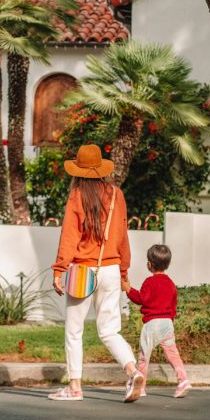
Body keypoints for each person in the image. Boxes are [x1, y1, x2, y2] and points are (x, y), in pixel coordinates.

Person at [49, 144, 144, 402]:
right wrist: (123, 271)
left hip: (83, 270)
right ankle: (133, 371)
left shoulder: (76, 196)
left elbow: (69, 237)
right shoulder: (117, 195)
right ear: (101, 169)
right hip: (111, 269)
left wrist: (59, 269)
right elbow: (123, 237)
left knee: (74, 330)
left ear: (78, 171)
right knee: (109, 330)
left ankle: (75, 388)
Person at [121, 243, 191, 401]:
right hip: (167, 323)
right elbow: (173, 306)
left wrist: (128, 289)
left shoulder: (149, 282)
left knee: (144, 357)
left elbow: (141, 299)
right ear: (168, 264)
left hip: (152, 324)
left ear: (150, 264)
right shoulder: (171, 284)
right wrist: (169, 321)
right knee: (173, 355)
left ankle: (142, 387)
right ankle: (183, 380)